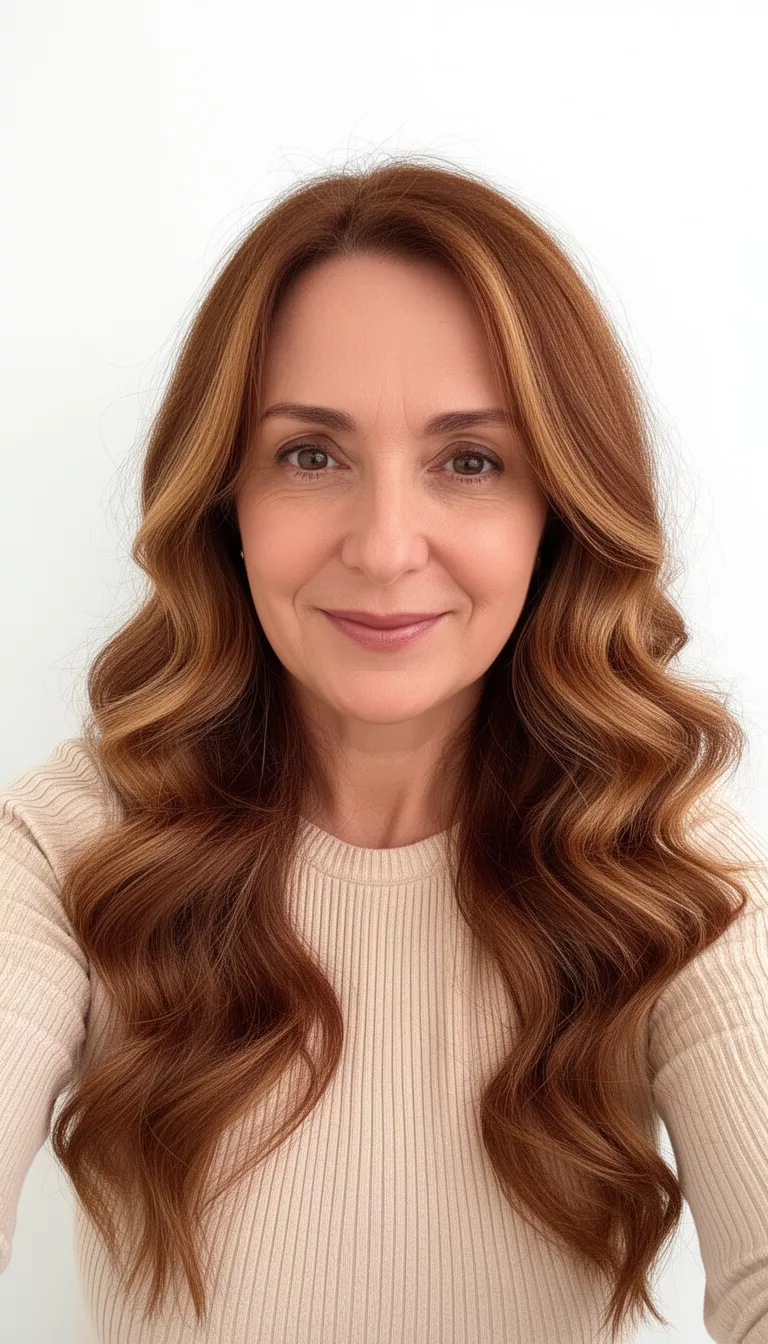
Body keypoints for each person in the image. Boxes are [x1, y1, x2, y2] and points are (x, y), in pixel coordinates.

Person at [2, 156, 767, 1344]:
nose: (386, 544)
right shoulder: (72, 842)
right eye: (312, 455)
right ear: (226, 500)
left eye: (470, 461)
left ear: (555, 512)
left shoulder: (664, 861)